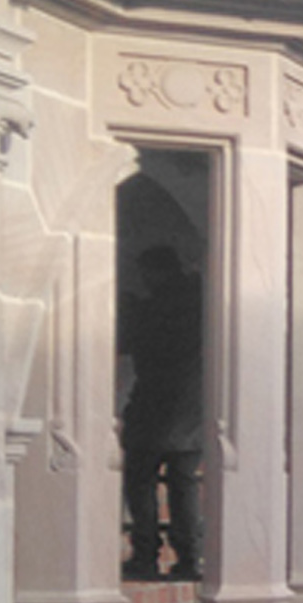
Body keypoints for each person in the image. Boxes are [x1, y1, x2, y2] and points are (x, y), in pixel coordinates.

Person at [120, 244, 205, 580]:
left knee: (140, 480)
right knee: (184, 484)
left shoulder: (155, 309)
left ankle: (145, 554)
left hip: (155, 406)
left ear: (155, 272)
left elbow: (130, 342)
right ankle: (189, 557)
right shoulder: (200, 303)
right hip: (193, 411)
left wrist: (130, 307)